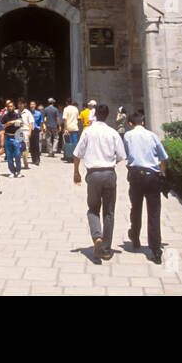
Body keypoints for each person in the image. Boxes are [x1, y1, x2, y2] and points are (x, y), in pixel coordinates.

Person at [71, 103, 125, 260]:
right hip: (109, 173)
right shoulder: (113, 133)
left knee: (93, 209)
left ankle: (97, 237)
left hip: (93, 174)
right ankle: (106, 250)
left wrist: (76, 172)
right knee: (109, 212)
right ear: (107, 115)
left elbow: (77, 154)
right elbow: (121, 156)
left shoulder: (88, 131)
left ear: (94, 116)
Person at [123, 111, 170, 263]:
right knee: (154, 213)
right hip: (152, 176)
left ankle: (135, 237)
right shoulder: (152, 136)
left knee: (135, 208)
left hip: (135, 175)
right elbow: (164, 158)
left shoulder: (128, 136)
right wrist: (161, 174)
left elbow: (126, 154)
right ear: (142, 122)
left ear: (130, 124)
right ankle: (155, 250)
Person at [1, 100, 24, 178]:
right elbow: (2, 126)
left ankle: (18, 171)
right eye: (8, 106)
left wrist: (16, 122)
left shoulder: (17, 115)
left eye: (11, 106)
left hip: (16, 137)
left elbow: (21, 124)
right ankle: (12, 171)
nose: (10, 108)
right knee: (9, 155)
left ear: (14, 107)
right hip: (7, 136)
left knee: (17, 154)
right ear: (7, 108)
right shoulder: (5, 116)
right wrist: (9, 123)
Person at [29, 100, 43, 165]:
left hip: (36, 130)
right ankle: (33, 158)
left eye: (33, 104)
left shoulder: (39, 113)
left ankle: (37, 159)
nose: (32, 106)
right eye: (31, 104)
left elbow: (41, 122)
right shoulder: (28, 113)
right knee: (31, 145)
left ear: (35, 105)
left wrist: (42, 130)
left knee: (36, 144)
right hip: (29, 130)